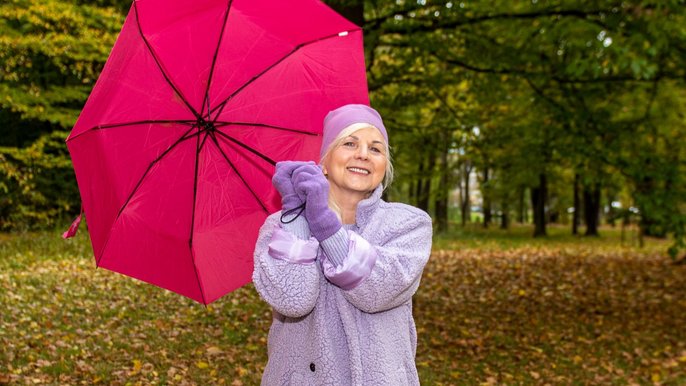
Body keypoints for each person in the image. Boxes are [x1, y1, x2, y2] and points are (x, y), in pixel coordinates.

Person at [252, 104, 433, 385]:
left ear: (385, 166)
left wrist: (324, 224)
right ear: (324, 161)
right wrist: (296, 214)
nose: (363, 154)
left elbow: (376, 291)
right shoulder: (281, 225)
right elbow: (293, 300)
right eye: (349, 143)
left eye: (376, 148)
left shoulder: (409, 224)